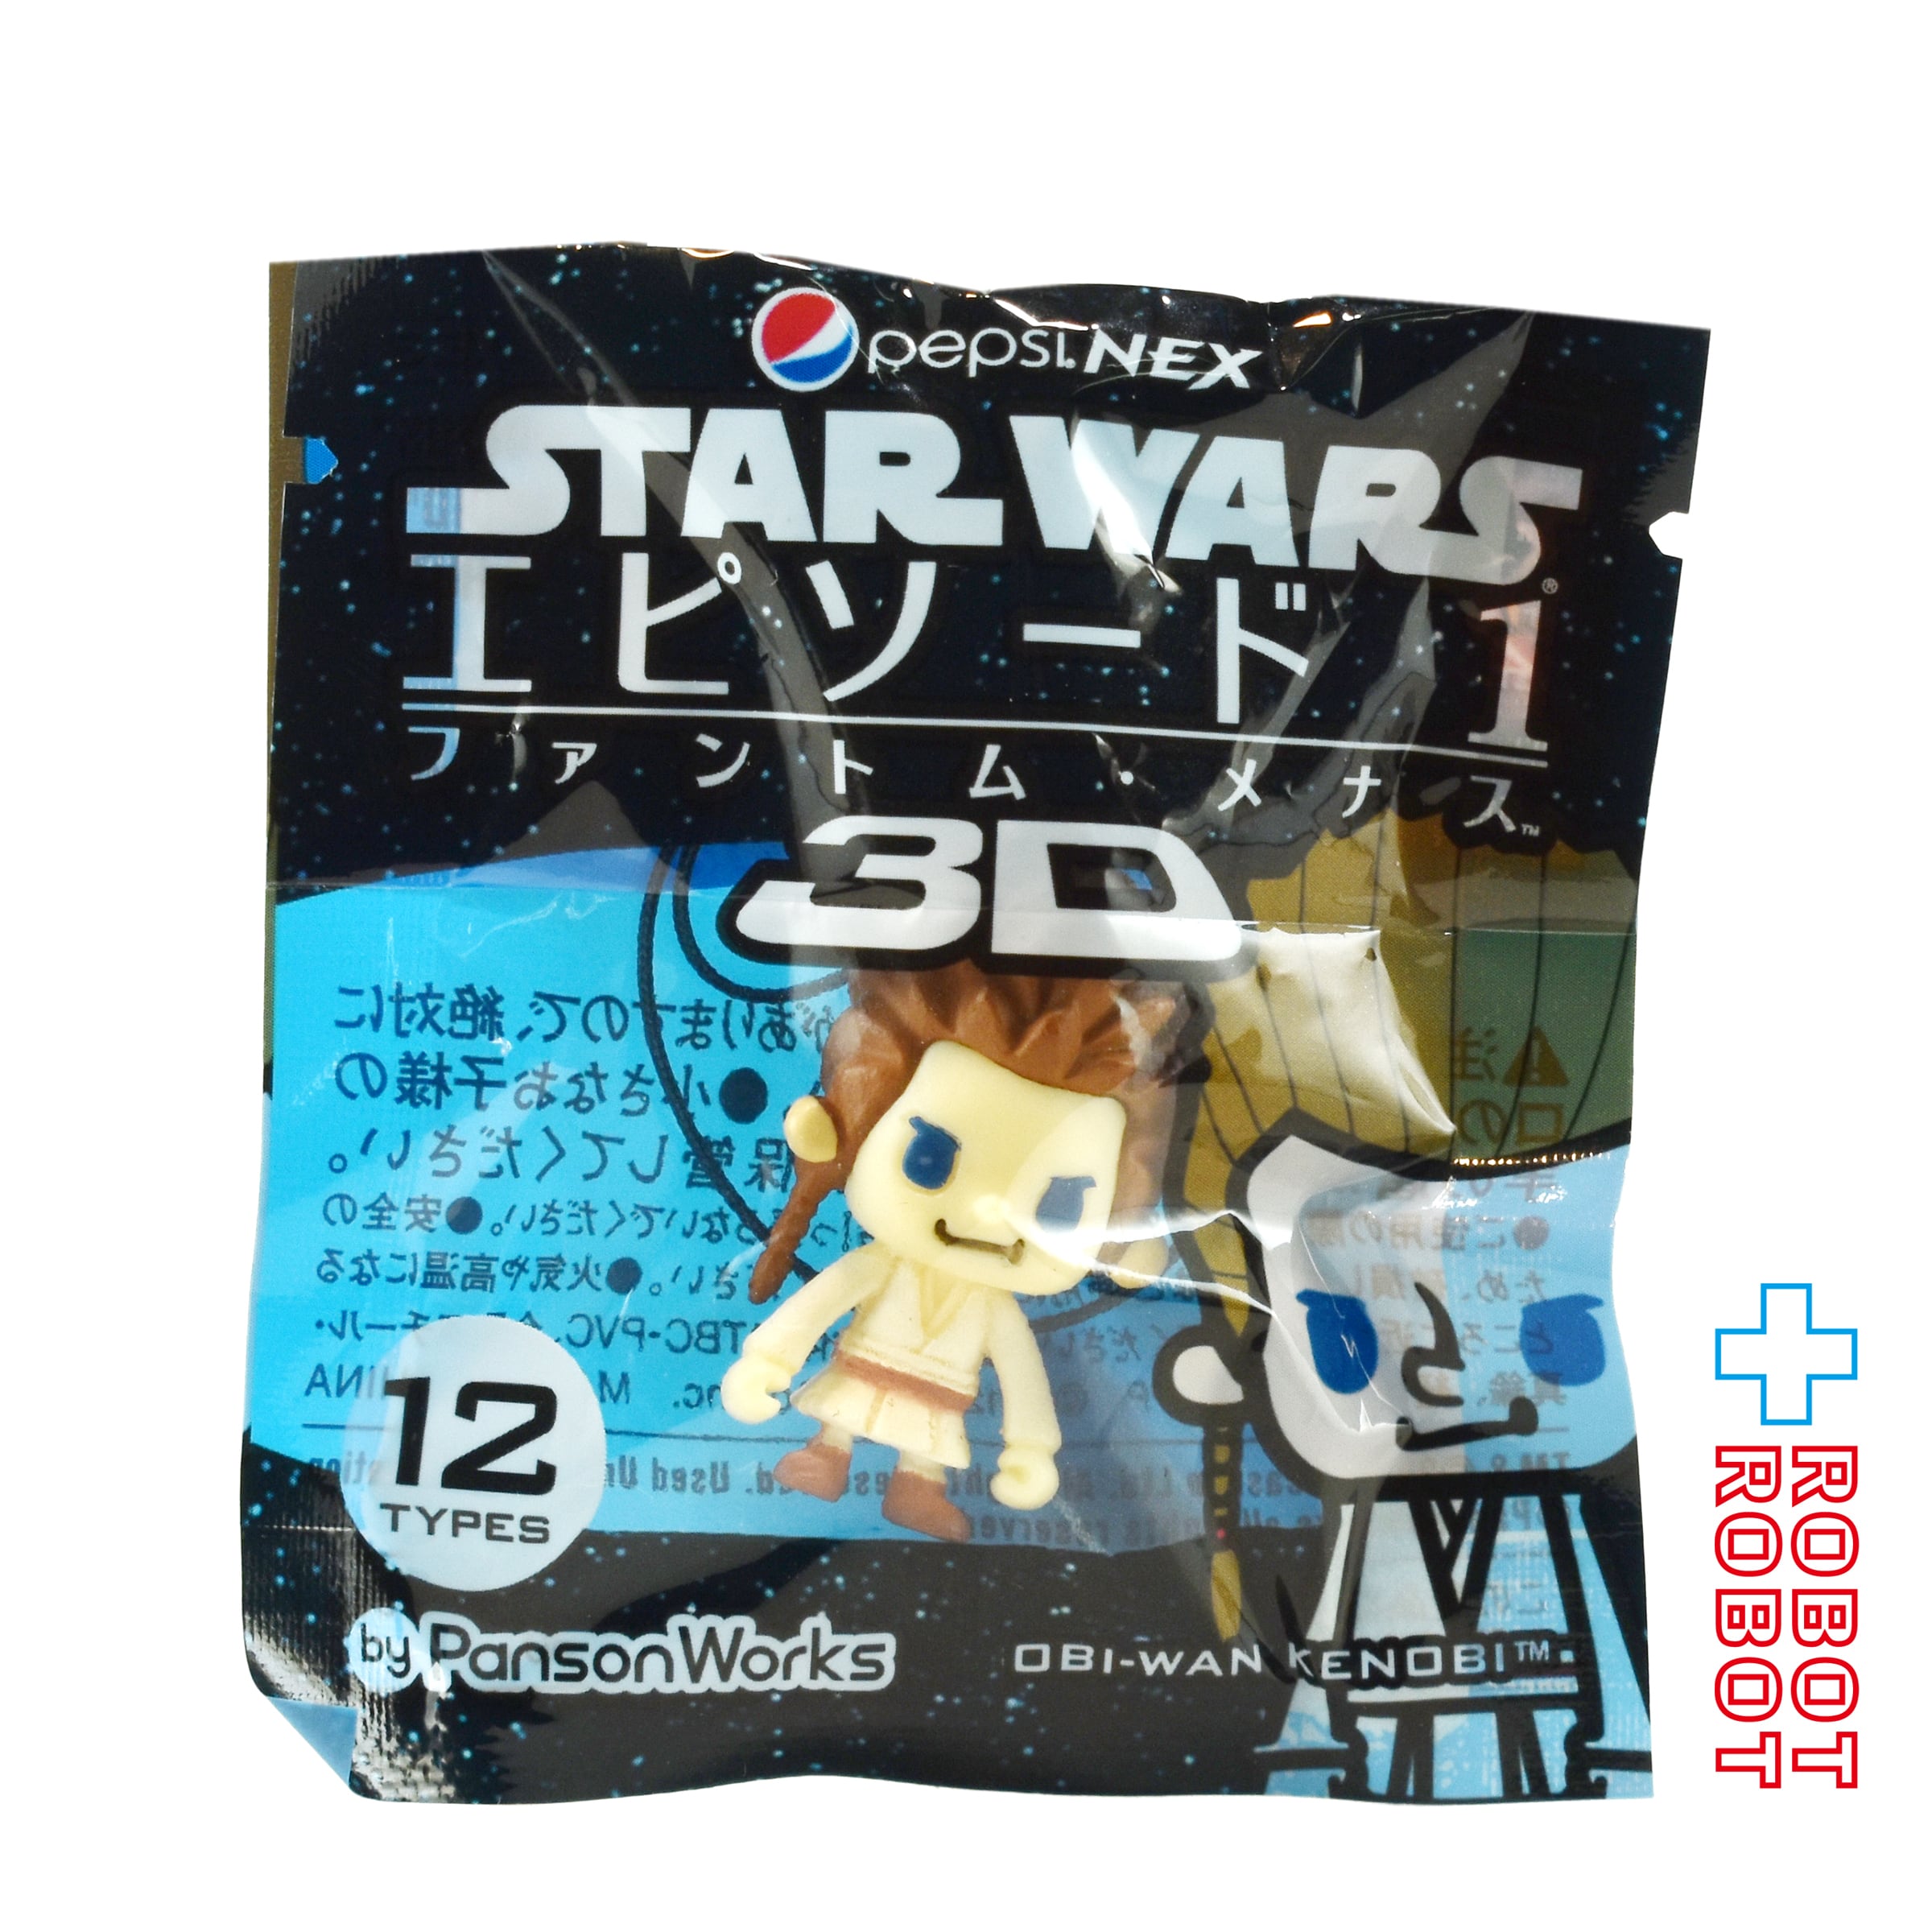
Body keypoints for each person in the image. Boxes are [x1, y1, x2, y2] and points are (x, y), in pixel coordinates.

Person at [721, 963, 1178, 1541]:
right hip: (867, 1368)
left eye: (1060, 1207)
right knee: (844, 1414)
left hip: (939, 1397)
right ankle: (828, 1451)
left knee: (927, 1444)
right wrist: (768, 1361)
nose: (986, 1214)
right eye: (929, 1161)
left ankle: (919, 1487)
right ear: (856, 1138)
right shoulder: (881, 1267)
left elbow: (1022, 1378)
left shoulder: (994, 1310)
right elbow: (818, 1304)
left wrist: (1031, 1446)